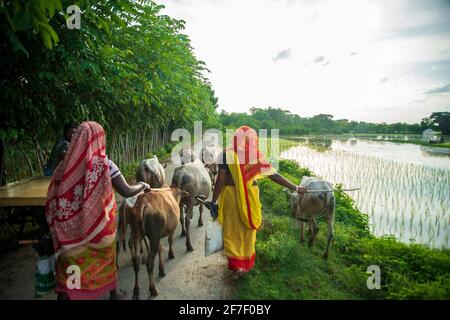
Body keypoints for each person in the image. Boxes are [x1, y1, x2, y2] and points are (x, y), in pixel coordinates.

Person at [45, 121, 150, 300]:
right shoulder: (105, 163)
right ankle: (113, 292)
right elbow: (125, 191)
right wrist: (142, 185)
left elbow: (54, 191)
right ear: (98, 139)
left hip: (68, 229)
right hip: (98, 228)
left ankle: (69, 293)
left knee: (69, 265)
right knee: (107, 255)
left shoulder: (64, 164)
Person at [211, 126, 307, 275]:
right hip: (250, 198)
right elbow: (274, 176)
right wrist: (295, 187)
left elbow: (220, 180)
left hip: (230, 198)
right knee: (247, 231)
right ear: (254, 140)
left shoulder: (225, 155)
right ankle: (243, 265)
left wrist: (213, 200)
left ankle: (236, 265)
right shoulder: (256, 157)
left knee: (232, 230)